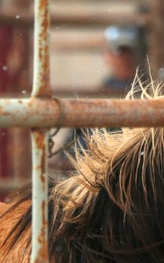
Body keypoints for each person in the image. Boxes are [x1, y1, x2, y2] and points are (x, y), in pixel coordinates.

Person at [49, 25, 143, 171]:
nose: (124, 58)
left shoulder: (145, 92)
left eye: (127, 52)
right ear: (106, 56)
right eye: (118, 52)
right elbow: (69, 150)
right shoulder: (98, 95)